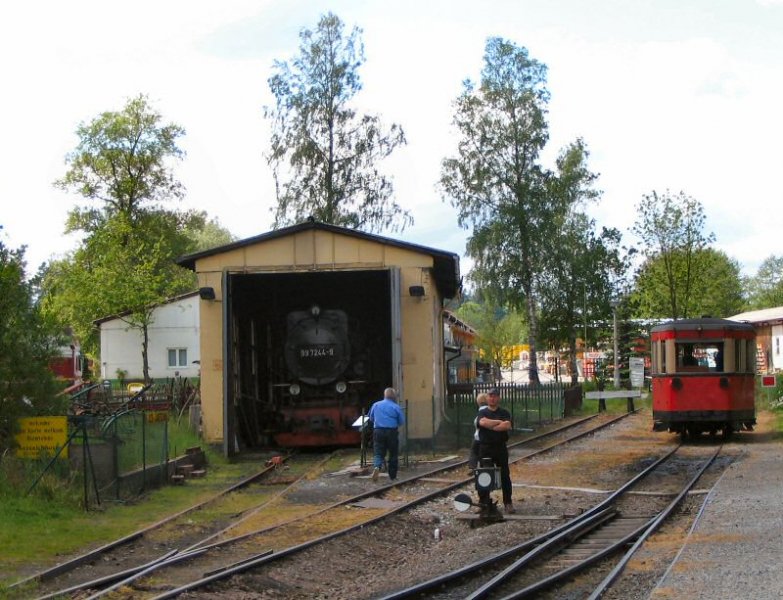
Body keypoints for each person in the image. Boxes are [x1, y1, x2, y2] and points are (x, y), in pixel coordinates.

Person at [477, 387, 514, 514]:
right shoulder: (482, 412)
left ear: (499, 398)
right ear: (487, 398)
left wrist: (491, 426)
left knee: (505, 475)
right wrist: (498, 422)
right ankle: (484, 502)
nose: (492, 398)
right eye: (490, 396)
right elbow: (482, 422)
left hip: (500, 447)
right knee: (484, 474)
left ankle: (508, 502)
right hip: (485, 448)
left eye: (495, 396)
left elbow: (507, 425)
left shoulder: (504, 412)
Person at [368, 387, 406, 482]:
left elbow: (371, 418)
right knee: (393, 453)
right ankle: (392, 476)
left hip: (378, 431)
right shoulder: (396, 407)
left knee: (378, 451)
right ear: (394, 397)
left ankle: (377, 466)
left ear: (384, 395)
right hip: (391, 432)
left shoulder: (376, 405)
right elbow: (401, 421)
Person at [467, 393, 490, 470]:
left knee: (474, 451)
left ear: (478, 402)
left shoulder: (480, 411)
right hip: (488, 438)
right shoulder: (489, 410)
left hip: (478, 438)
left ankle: (472, 465)